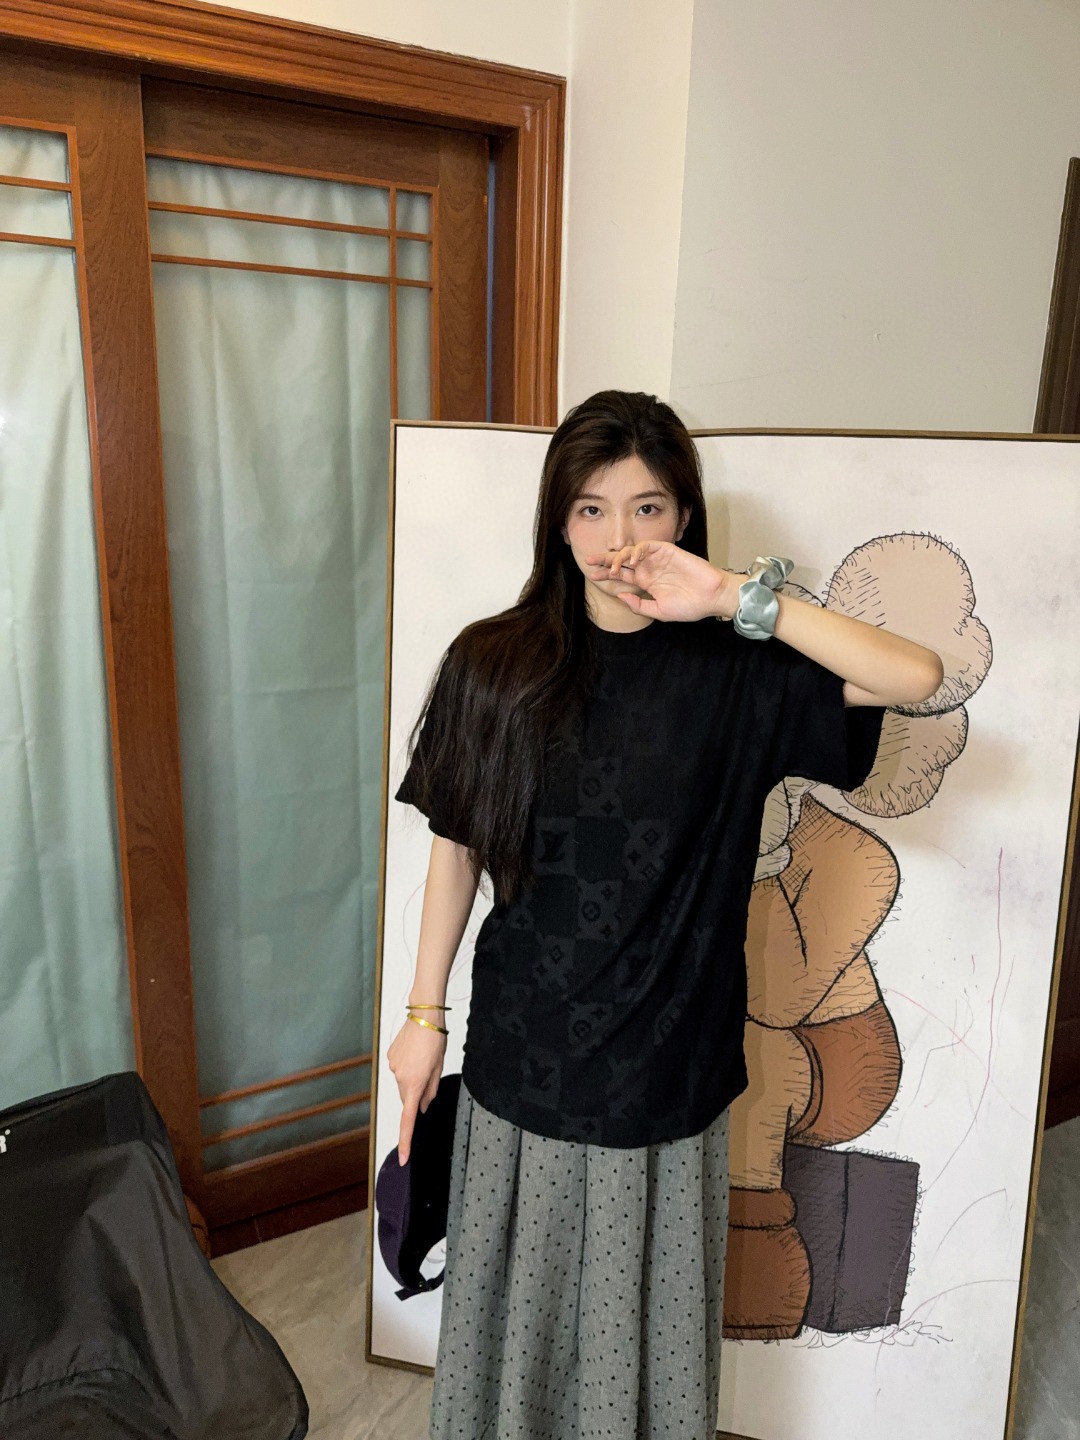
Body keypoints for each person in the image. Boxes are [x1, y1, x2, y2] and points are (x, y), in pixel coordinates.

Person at [387, 390, 943, 1440]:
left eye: (646, 508)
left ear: (683, 516)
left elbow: (916, 676)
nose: (619, 540)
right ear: (558, 521)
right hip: (524, 1057)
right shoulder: (493, 663)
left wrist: (736, 598)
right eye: (591, 510)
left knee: (637, 1347)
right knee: (515, 1331)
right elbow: (456, 848)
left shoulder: (740, 673)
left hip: (670, 1069)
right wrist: (423, 1022)